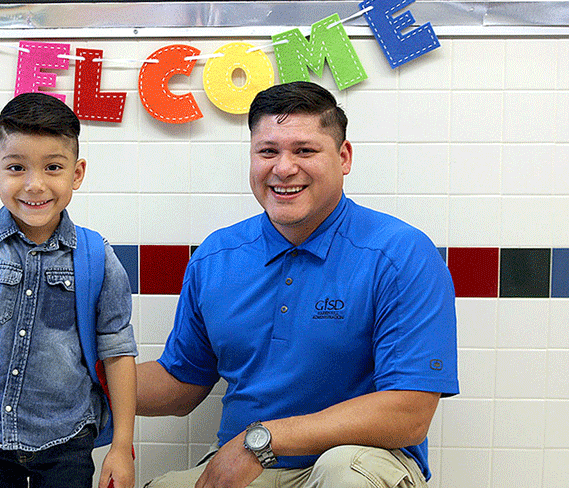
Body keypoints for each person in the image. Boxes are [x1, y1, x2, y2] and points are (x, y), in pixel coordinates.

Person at [137, 81, 458, 488]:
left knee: (343, 473)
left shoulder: (401, 254)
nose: (284, 168)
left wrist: (264, 440)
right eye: (268, 151)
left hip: (357, 464)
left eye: (305, 151)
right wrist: (87, 376)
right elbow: (181, 384)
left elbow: (410, 413)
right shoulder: (216, 256)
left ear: (344, 157)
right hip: (248, 466)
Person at [0, 92, 137, 488]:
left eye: (53, 167)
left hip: (67, 440)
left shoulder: (96, 257)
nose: (35, 185)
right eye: (17, 167)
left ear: (77, 173)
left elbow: (118, 354)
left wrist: (122, 446)